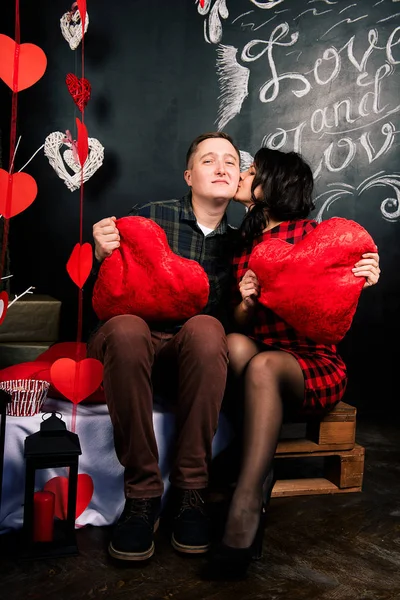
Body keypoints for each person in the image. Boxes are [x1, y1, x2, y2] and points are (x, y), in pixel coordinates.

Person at [204, 147, 380, 579]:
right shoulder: (245, 243)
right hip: (261, 357)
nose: (242, 174)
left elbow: (336, 301)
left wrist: (364, 274)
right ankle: (254, 468)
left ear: (273, 185)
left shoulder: (317, 237)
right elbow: (242, 321)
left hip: (312, 366)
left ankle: (246, 498)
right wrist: (246, 300)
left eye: (251, 171)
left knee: (262, 366)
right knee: (234, 342)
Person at [88, 132, 241, 561]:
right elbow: (105, 291)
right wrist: (102, 254)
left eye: (230, 161)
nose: (221, 167)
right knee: (127, 328)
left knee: (209, 327)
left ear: (240, 179)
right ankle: (142, 497)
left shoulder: (244, 242)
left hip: (189, 353)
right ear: (189, 176)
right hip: (128, 341)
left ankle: (192, 491)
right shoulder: (151, 217)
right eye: (208, 160)